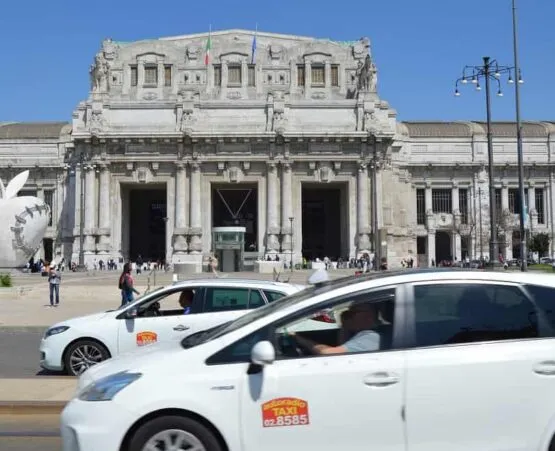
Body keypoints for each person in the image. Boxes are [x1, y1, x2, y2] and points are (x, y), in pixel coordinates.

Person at [289, 303, 380, 355]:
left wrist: (298, 338)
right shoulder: (363, 334)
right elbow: (342, 346)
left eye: (353, 312)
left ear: (368, 316)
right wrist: (345, 326)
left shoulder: (370, 337)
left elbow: (327, 353)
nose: (347, 315)